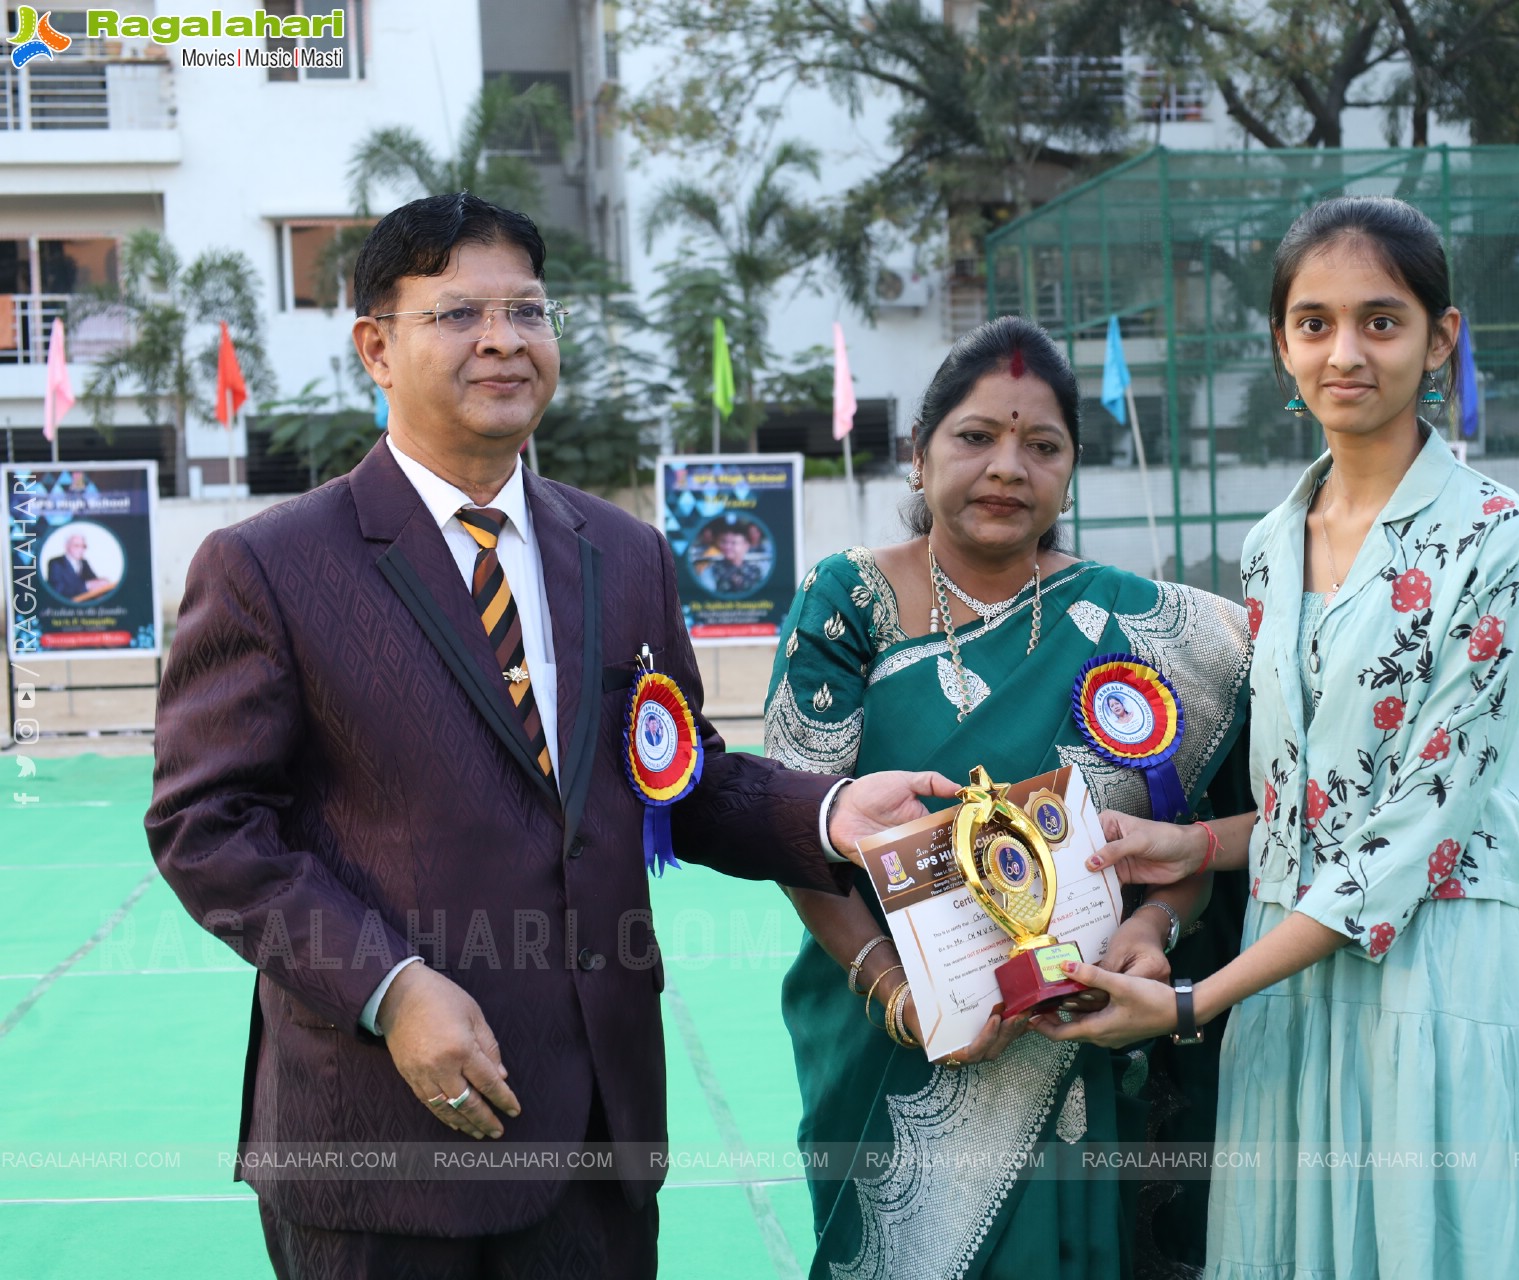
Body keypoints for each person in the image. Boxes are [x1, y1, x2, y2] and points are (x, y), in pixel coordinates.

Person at [145, 192, 950, 1280]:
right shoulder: (270, 565)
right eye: (459, 314)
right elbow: (205, 827)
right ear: (376, 348)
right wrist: (389, 986)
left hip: (596, 1132)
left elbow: (677, 776)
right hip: (381, 1139)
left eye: (527, 310)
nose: (503, 340)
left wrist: (830, 812)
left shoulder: (624, 553)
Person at [1035, 197, 1519, 1279]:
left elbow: (1416, 828)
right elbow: (1313, 801)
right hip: (1287, 984)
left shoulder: (1501, 538)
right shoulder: (1268, 546)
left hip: (1434, 977)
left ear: (1440, 339)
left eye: (1380, 321)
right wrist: (1193, 845)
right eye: (1314, 323)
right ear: (1282, 345)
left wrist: (1192, 1001)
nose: (1345, 352)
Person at [765, 316, 1256, 1278]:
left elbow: (1190, 836)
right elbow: (795, 833)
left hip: (1088, 1034)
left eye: (1042, 446)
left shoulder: (1146, 625)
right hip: (884, 1039)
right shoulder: (847, 600)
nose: (1007, 467)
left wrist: (1152, 926)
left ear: (1071, 471)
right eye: (976, 436)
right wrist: (897, 995)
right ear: (919, 455)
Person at [45, 530, 111, 600]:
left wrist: (101, 582)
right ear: (66, 546)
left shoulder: (84, 562)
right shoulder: (56, 563)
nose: (81, 549)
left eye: (83, 546)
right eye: (76, 546)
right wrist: (87, 586)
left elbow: (93, 579)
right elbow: (57, 589)